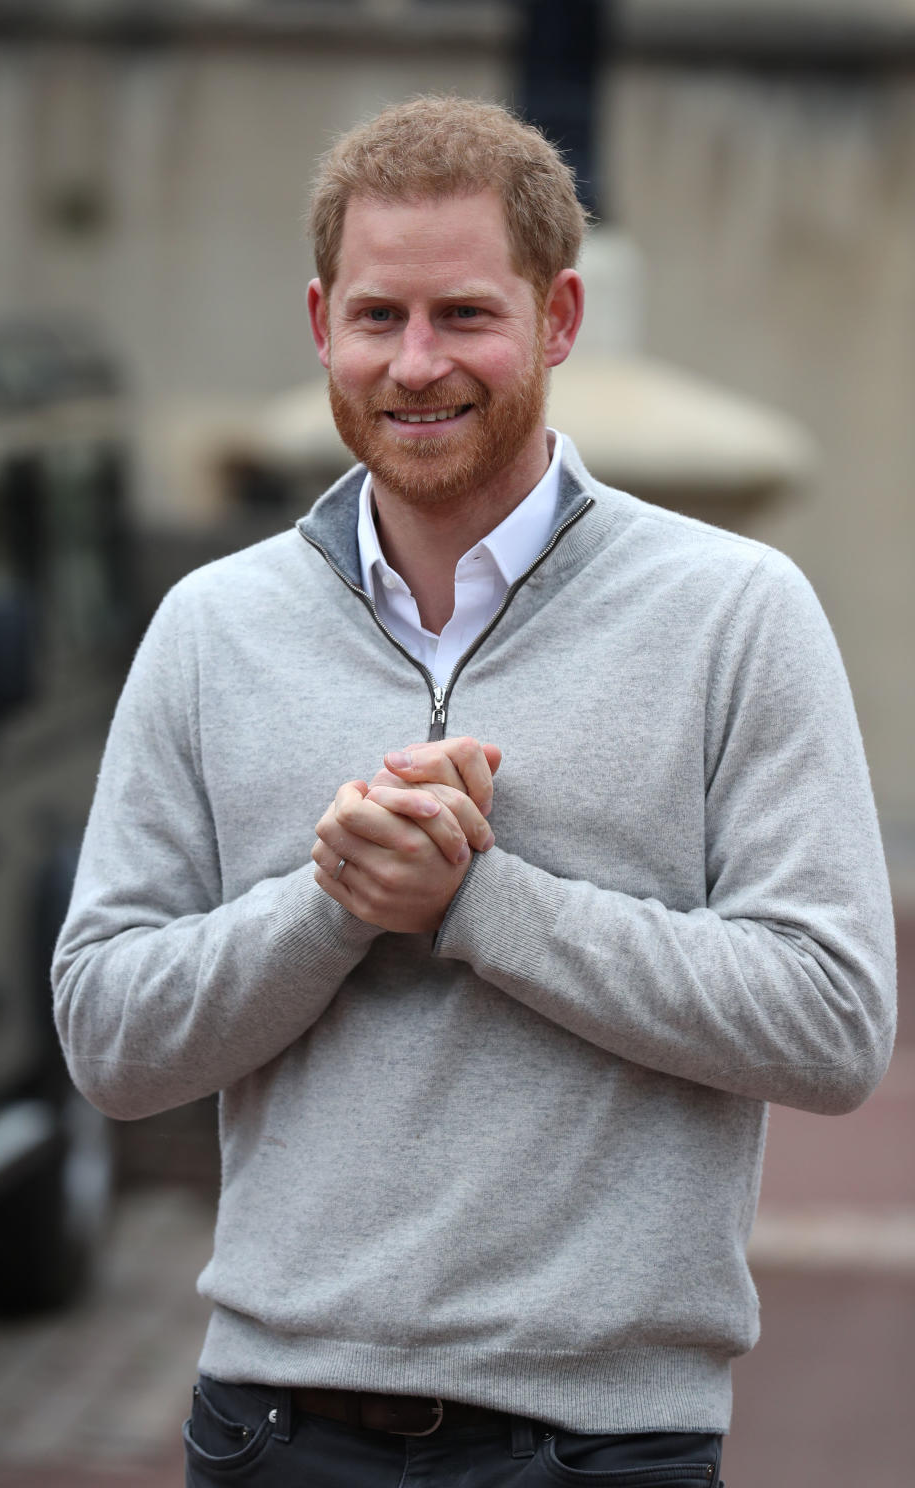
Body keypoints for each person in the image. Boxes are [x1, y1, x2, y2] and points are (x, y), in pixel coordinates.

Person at [53, 97, 896, 1487]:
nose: (417, 363)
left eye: (465, 315)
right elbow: (105, 1035)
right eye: (379, 317)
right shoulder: (211, 628)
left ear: (559, 318)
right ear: (321, 318)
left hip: (606, 1442)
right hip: (272, 1427)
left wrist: (479, 906)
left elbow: (835, 1021)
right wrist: (328, 907)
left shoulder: (736, 614)